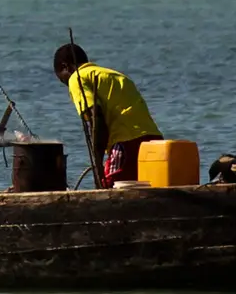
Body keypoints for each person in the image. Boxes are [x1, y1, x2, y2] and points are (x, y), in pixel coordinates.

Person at [51, 41, 160, 187]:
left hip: (126, 143)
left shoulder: (77, 78)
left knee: (107, 188)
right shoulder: (114, 75)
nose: (65, 83)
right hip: (154, 142)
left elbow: (97, 120)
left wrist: (98, 161)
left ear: (66, 67)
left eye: (61, 78)